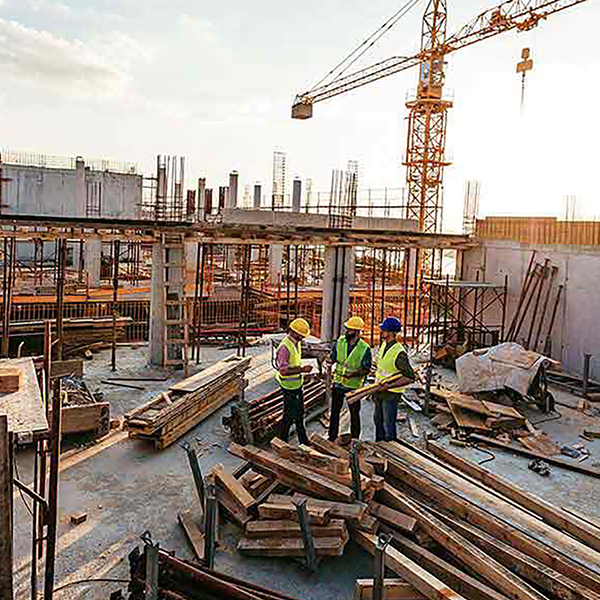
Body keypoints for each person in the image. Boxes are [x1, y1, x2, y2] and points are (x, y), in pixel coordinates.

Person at [328, 316, 372, 442]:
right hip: (338, 383)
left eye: (349, 330)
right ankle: (332, 437)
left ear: (357, 332)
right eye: (347, 329)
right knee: (335, 413)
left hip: (353, 386)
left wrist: (352, 375)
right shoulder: (340, 342)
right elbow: (334, 356)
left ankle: (355, 440)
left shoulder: (365, 348)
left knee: (354, 414)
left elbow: (366, 369)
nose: (346, 331)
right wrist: (330, 360)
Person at [373, 317, 416, 442]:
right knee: (378, 420)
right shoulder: (384, 345)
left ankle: (391, 448)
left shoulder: (399, 352)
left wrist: (388, 386)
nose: (381, 332)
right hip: (379, 390)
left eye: (383, 330)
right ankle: (379, 445)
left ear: (391, 332)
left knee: (388, 424)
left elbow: (409, 377)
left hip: (391, 394)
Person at [275, 317, 313, 445]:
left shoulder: (296, 343)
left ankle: (301, 440)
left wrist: (301, 373)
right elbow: (283, 371)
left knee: (299, 413)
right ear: (294, 332)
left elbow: (294, 362)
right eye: (301, 335)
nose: (303, 338)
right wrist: (302, 369)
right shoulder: (285, 348)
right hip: (289, 387)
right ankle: (284, 441)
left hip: (296, 384)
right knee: (289, 415)